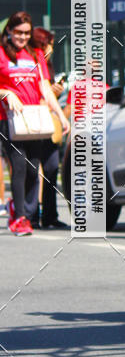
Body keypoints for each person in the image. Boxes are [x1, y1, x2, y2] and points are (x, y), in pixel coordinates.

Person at [0, 12, 69, 236]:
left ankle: (23, 212)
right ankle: (20, 218)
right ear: (9, 31)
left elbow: (45, 89)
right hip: (8, 120)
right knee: (19, 166)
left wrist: (60, 115)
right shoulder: (1, 53)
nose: (22, 36)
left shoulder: (36, 54)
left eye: (26, 33)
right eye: (18, 32)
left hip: (34, 119)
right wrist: (5, 94)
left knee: (32, 168)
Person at [31, 27, 69, 229]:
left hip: (49, 121)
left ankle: (50, 215)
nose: (51, 48)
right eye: (48, 44)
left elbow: (49, 96)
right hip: (33, 121)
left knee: (52, 168)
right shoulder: (31, 63)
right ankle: (31, 215)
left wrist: (55, 93)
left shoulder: (49, 65)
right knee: (33, 169)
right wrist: (49, 94)